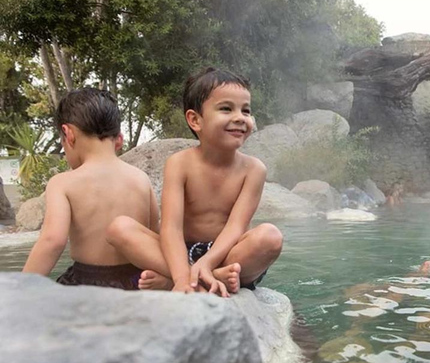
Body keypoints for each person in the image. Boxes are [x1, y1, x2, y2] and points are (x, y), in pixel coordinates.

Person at [107, 67, 283, 296]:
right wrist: (182, 276)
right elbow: (171, 228)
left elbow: (236, 227)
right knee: (118, 228)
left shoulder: (254, 170)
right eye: (226, 109)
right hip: (181, 253)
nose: (240, 117)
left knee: (270, 237)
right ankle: (191, 278)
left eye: (246, 110)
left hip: (229, 255)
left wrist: (207, 263)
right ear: (195, 120)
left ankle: (188, 276)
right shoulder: (179, 163)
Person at [22, 88, 157, 290]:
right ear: (118, 139)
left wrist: (17, 290)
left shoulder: (62, 183)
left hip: (85, 284)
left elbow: (52, 241)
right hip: (137, 282)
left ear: (68, 134)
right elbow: (155, 236)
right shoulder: (141, 179)